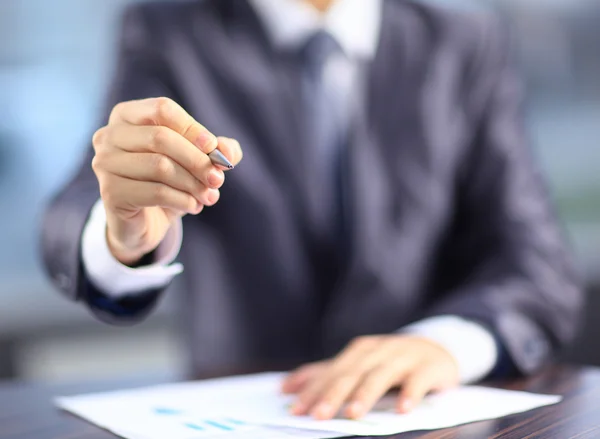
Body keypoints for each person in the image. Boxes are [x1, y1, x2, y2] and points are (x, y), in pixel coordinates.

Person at [42, 0, 583, 421]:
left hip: (427, 414)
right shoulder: (169, 32)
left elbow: (537, 262)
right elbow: (79, 204)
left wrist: (444, 343)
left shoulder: (464, 40)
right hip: (249, 411)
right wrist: (127, 233)